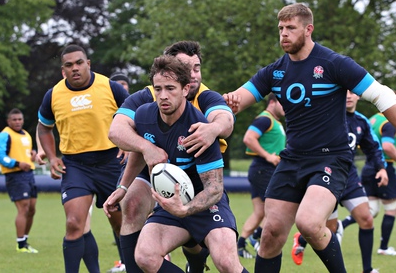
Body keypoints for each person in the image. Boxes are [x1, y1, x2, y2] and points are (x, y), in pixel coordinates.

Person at [223, 3, 396, 272]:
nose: (284, 34)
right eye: (281, 28)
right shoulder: (274, 71)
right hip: (292, 160)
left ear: (308, 29)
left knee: (308, 222)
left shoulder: (334, 64)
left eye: (291, 28)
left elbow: (382, 95)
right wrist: (228, 103)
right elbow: (238, 99)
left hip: (330, 159)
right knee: (270, 234)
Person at [107, 54, 247, 272]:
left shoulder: (199, 127)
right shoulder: (144, 115)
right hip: (171, 203)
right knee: (145, 255)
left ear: (185, 89)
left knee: (227, 262)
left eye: (170, 88)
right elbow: (137, 152)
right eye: (158, 88)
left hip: (206, 204)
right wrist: (123, 187)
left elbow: (215, 189)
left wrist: (185, 208)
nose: (163, 96)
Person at [37, 44, 130, 273]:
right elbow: (44, 128)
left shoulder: (110, 87)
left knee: (122, 226)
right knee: (74, 223)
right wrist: (51, 157)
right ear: (63, 70)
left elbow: (137, 115)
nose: (75, 68)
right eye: (69, 65)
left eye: (79, 63)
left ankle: (132, 267)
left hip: (112, 164)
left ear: (88, 64)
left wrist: (131, 144)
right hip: (76, 166)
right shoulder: (54, 95)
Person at [291, 90, 388, 273]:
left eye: (353, 92)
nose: (349, 95)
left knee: (367, 219)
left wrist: (381, 168)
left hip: (349, 178)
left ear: (359, 96)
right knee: (329, 230)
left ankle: (367, 269)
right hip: (326, 177)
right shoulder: (328, 116)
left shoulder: (361, 122)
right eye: (346, 92)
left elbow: (372, 147)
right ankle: (302, 239)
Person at [346, 90, 396, 256]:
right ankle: (384, 247)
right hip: (383, 166)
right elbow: (387, 146)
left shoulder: (373, 119)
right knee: (391, 208)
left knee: (371, 210)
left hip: (369, 166)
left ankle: (341, 225)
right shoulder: (389, 122)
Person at [237, 93, 285, 259]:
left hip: (261, 170)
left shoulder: (275, 122)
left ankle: (241, 245)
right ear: (272, 102)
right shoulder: (265, 119)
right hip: (264, 169)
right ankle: (257, 236)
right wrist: (268, 156)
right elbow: (249, 138)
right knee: (275, 210)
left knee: (259, 212)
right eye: (282, 103)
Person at [0, 108, 39, 254]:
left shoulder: (26, 134)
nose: (17, 122)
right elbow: (0, 156)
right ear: (9, 121)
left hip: (29, 174)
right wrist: (17, 163)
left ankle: (25, 240)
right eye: (14, 119)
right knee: (24, 208)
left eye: (20, 119)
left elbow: (25, 153)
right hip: (15, 175)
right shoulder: (5, 134)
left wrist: (32, 155)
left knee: (32, 209)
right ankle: (20, 244)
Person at [106, 71, 130, 273]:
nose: (122, 88)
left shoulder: (138, 106)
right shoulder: (104, 109)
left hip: (135, 168)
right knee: (115, 212)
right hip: (111, 166)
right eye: (118, 85)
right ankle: (125, 259)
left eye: (124, 84)